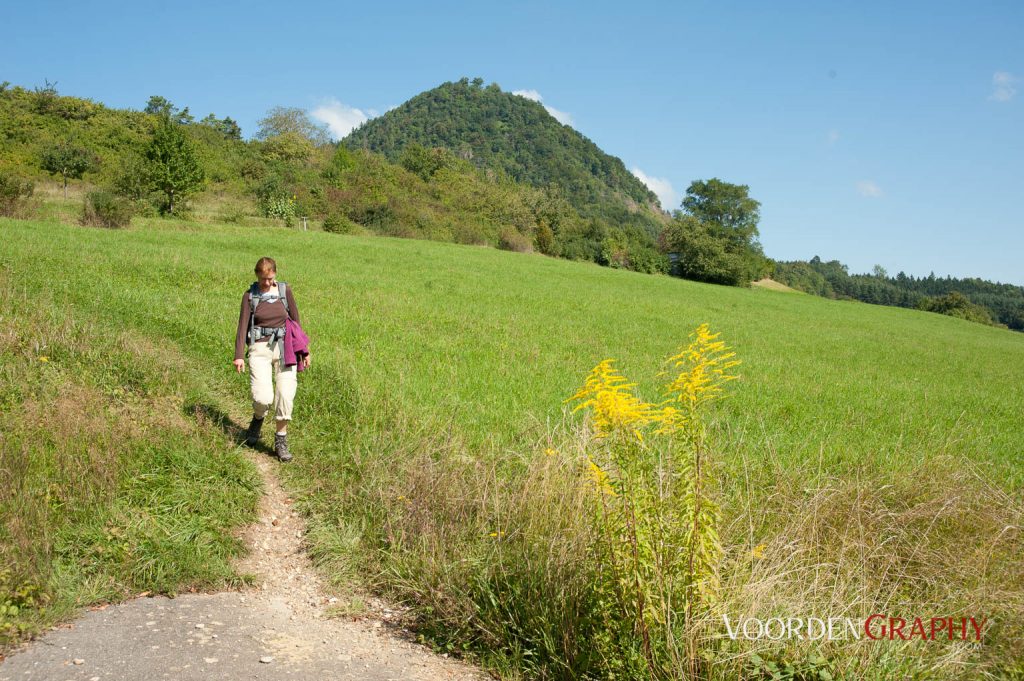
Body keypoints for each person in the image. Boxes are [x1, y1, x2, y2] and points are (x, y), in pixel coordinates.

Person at [233, 257, 311, 461]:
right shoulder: (250, 296)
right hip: (259, 349)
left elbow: (296, 322)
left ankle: (281, 440)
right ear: (257, 275)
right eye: (262, 278)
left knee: (285, 395)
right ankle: (258, 418)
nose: (266, 283)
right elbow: (242, 326)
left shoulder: (285, 292)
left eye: (269, 278)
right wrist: (239, 355)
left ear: (275, 274)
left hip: (286, 348)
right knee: (262, 397)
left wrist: (304, 351)